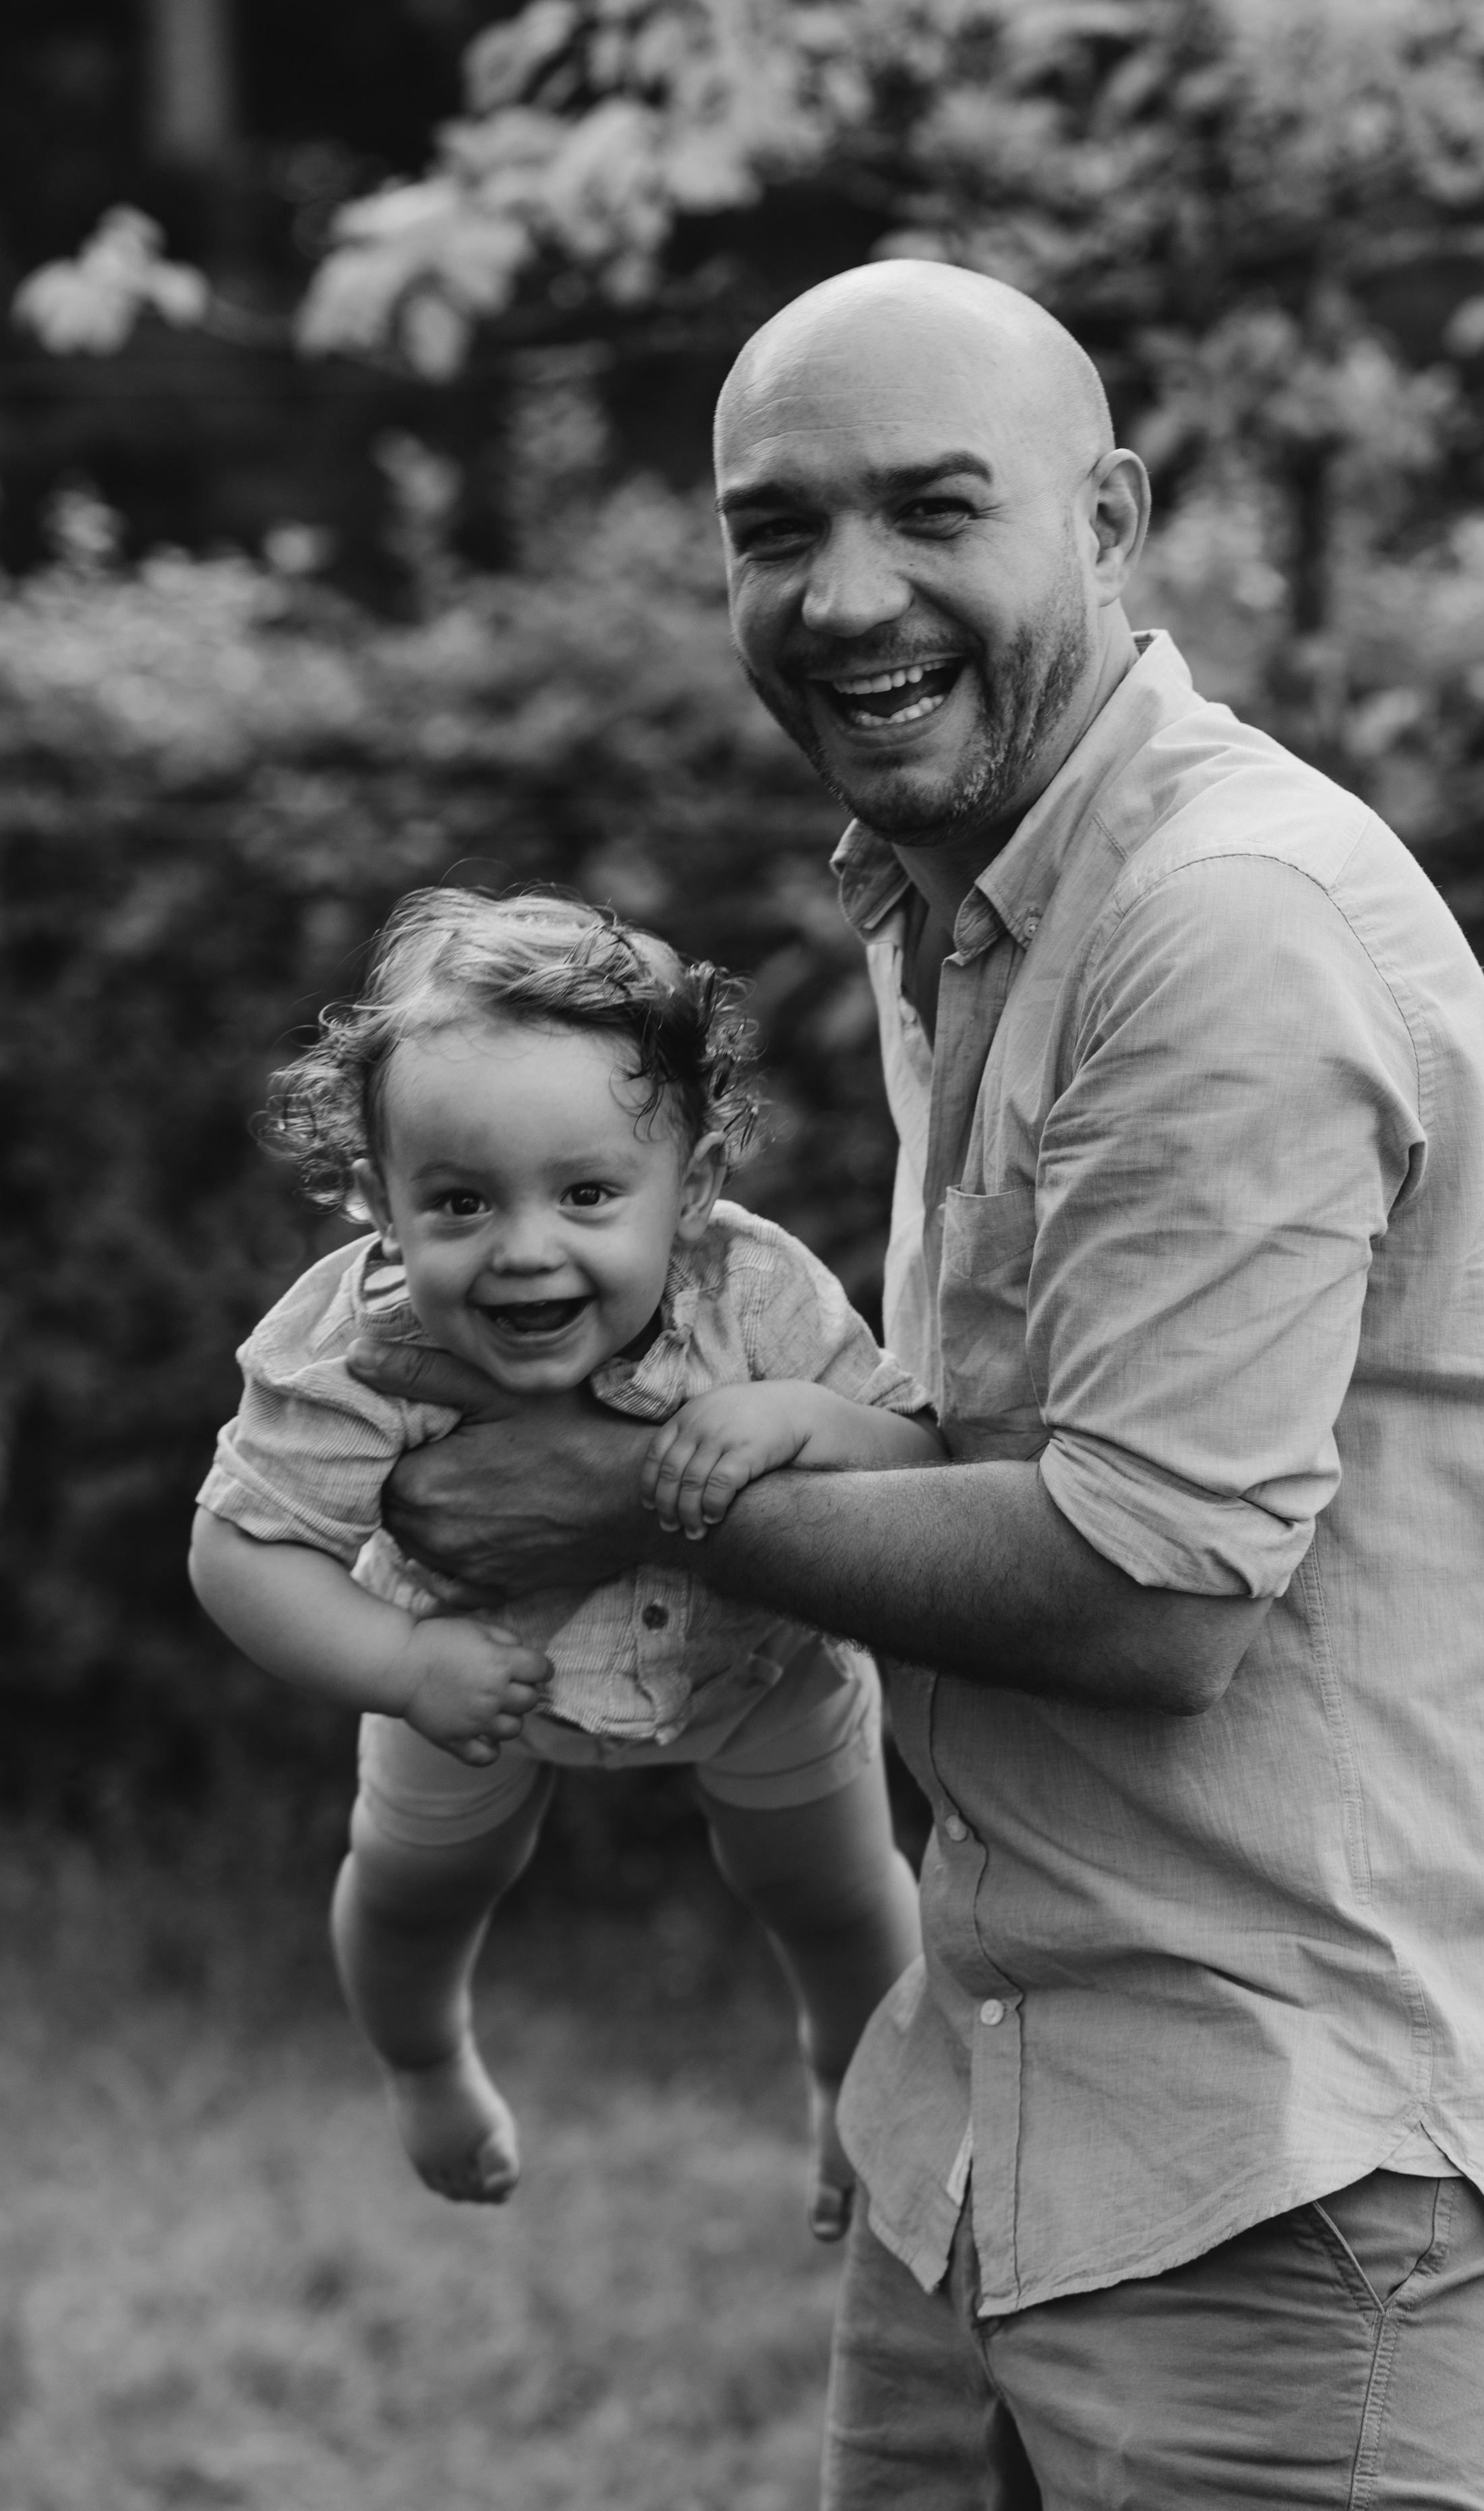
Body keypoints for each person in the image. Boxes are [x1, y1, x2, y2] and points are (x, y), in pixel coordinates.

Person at [346, 267, 1484, 2506]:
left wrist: (625, 1494)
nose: (849, 597)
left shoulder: (1218, 922)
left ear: (1110, 517)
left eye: (937, 507)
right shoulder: (970, 900)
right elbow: (994, 1436)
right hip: (996, 2117)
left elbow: (1155, 1584)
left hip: (1282, 2165)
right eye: (779, 529)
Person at [189, 885, 934, 2230]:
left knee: (832, 1898)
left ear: (692, 1185)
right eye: (461, 1201)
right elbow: (242, 1552)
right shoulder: (354, 1342)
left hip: (755, 1668)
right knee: (416, 1889)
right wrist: (402, 1663)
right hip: (473, 1675)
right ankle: (425, 2066)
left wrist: (803, 1420)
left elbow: (913, 1464)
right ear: (377, 1198)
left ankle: (852, 2096)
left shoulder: (753, 1294)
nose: (527, 1249)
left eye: (589, 1192)